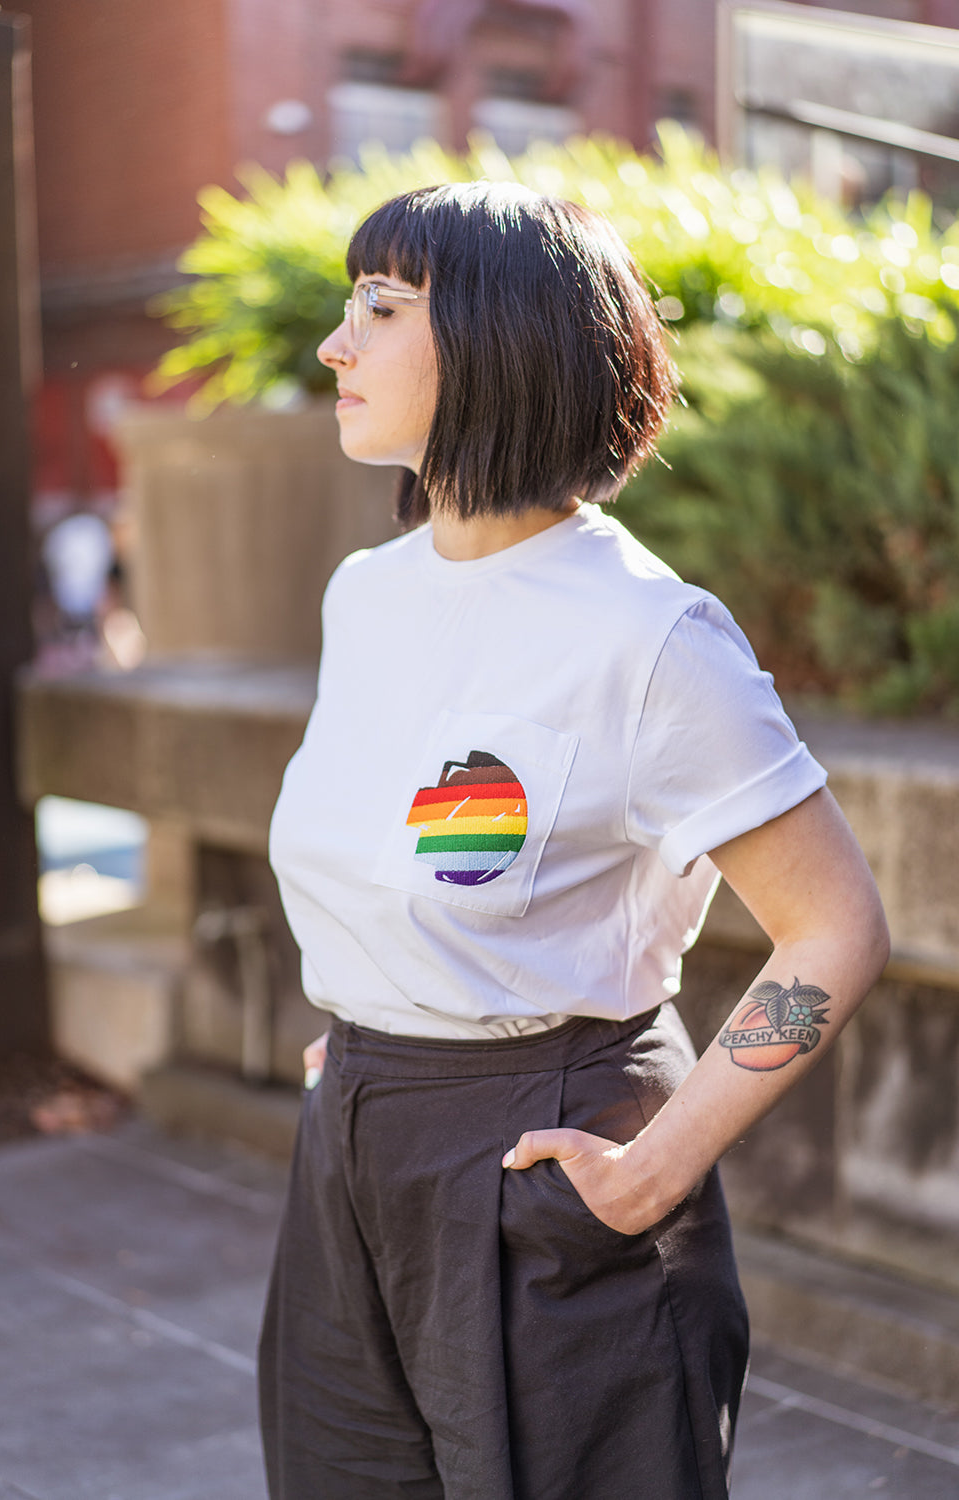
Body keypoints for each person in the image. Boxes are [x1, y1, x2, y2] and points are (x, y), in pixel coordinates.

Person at [260, 181, 889, 1500]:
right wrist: (377, 1017)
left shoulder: (651, 638)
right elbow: (378, 850)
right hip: (354, 1153)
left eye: (380, 309)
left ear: (499, 341)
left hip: (547, 1164)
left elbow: (834, 929)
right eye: (346, 307)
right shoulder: (366, 597)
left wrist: (658, 1167)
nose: (336, 343)